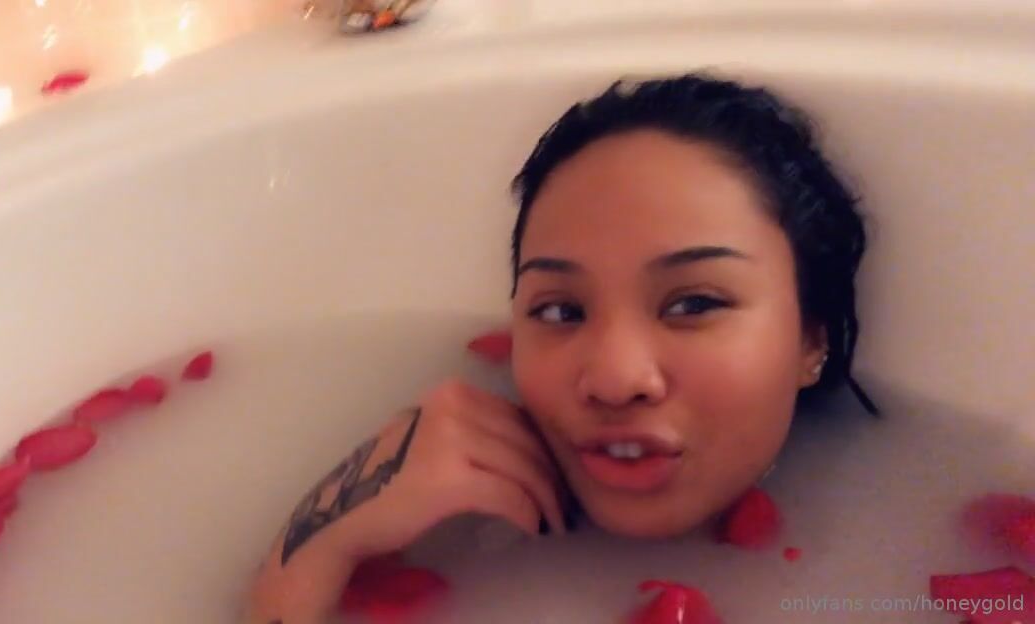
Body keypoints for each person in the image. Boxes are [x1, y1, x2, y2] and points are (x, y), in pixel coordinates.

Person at [244, 73, 874, 623]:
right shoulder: (445, 518)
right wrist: (326, 538)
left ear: (811, 337)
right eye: (560, 311)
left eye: (693, 304)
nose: (614, 379)